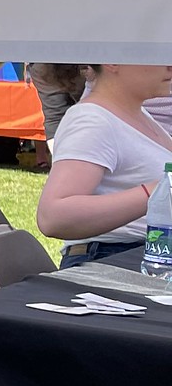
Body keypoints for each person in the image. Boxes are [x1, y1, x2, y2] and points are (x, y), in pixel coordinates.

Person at [35, 64, 172, 266]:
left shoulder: (135, 114)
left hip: (136, 257)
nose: (169, 65)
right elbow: (53, 216)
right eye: (153, 54)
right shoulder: (93, 120)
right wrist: (157, 192)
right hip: (111, 261)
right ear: (113, 62)